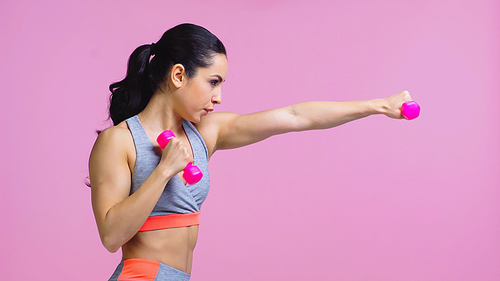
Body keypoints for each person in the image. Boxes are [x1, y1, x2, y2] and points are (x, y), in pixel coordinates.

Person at [89, 23, 414, 281]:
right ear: (178, 75)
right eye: (213, 82)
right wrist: (163, 171)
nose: (219, 97)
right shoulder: (120, 141)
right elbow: (111, 236)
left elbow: (295, 116)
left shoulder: (205, 133)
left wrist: (378, 106)